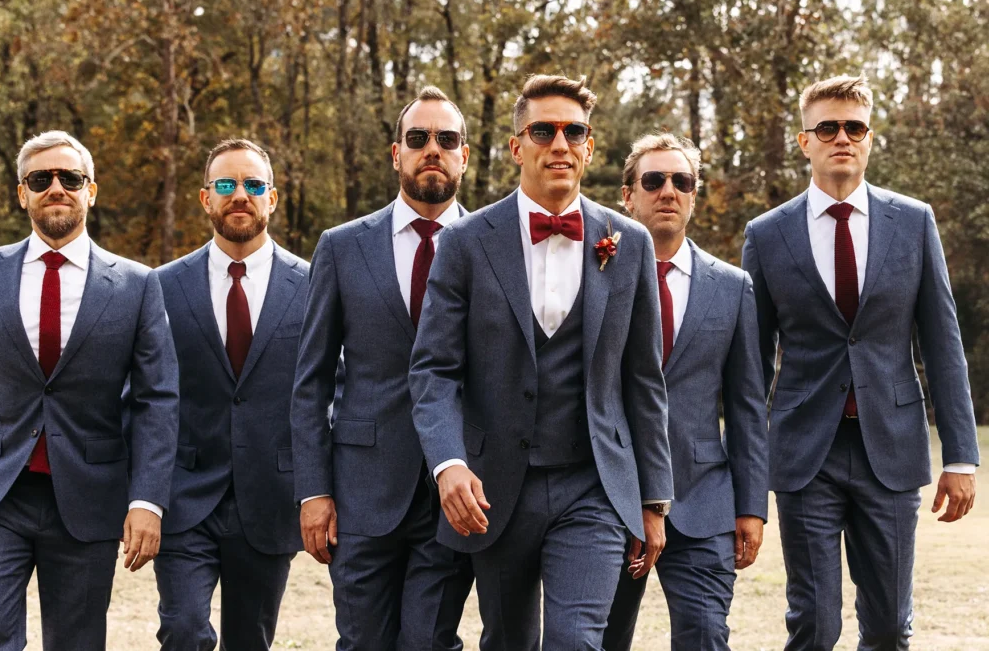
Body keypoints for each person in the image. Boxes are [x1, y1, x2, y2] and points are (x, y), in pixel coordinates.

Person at [409, 74, 673, 649]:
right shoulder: (467, 242)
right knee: (507, 640)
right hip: (496, 487)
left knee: (576, 640)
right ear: (516, 146)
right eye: (543, 130)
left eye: (573, 131)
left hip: (595, 485)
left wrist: (654, 499)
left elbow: (643, 381)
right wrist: (448, 462)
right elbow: (433, 369)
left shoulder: (627, 243)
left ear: (589, 146)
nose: (559, 143)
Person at [741, 73, 980, 649]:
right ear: (805, 141)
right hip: (804, 455)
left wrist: (963, 456)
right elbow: (748, 367)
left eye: (854, 126)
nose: (841, 137)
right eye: (827, 126)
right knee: (814, 624)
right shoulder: (767, 235)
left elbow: (942, 341)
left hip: (891, 451)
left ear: (870, 138)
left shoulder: (915, 221)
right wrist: (747, 484)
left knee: (890, 626)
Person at [0, 130, 179, 650]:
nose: (55, 187)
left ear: (91, 190)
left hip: (88, 497)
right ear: (22, 193)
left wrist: (147, 499)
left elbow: (158, 398)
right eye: (41, 179)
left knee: (78, 642)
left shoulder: (137, 284)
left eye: (70, 178)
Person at [292, 86, 473, 650]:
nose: (432, 150)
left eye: (446, 140)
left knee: (429, 642)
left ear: (465, 154)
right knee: (363, 642)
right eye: (418, 139)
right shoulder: (343, 247)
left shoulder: (492, 245)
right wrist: (313, 491)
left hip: (458, 493)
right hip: (361, 490)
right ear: (397, 154)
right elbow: (310, 383)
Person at [602, 133, 769, 650]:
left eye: (682, 181)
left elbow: (746, 406)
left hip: (703, 499)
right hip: (610, 500)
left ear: (695, 195)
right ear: (628, 195)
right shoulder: (594, 274)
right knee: (601, 640)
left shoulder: (733, 286)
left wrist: (751, 506)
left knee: (704, 637)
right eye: (653, 180)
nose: (668, 190)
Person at [153, 138, 310, 650]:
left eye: (253, 185)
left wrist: (317, 488)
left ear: (273, 198)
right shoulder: (162, 287)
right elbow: (146, 395)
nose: (239, 194)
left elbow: (329, 390)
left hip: (270, 498)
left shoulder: (312, 286)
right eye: (226, 185)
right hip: (185, 496)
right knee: (183, 630)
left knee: (251, 641)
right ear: (205, 199)